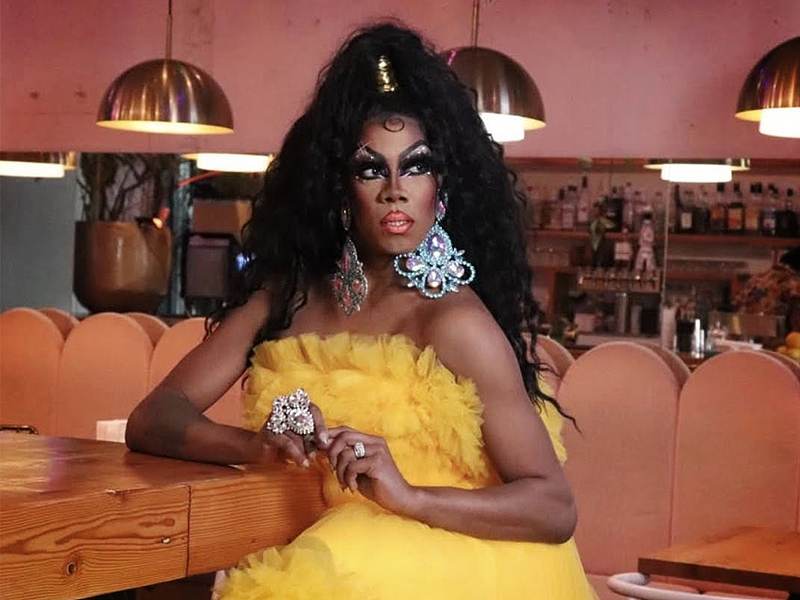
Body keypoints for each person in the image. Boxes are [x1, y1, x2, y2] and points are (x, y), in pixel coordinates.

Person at [126, 22, 595, 599]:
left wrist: (408, 496)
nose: (395, 188)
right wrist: (256, 447)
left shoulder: (455, 323)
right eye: (371, 168)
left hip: (445, 562)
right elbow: (154, 418)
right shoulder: (287, 299)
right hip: (312, 545)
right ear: (339, 188)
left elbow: (553, 506)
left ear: (441, 187)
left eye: (416, 165)